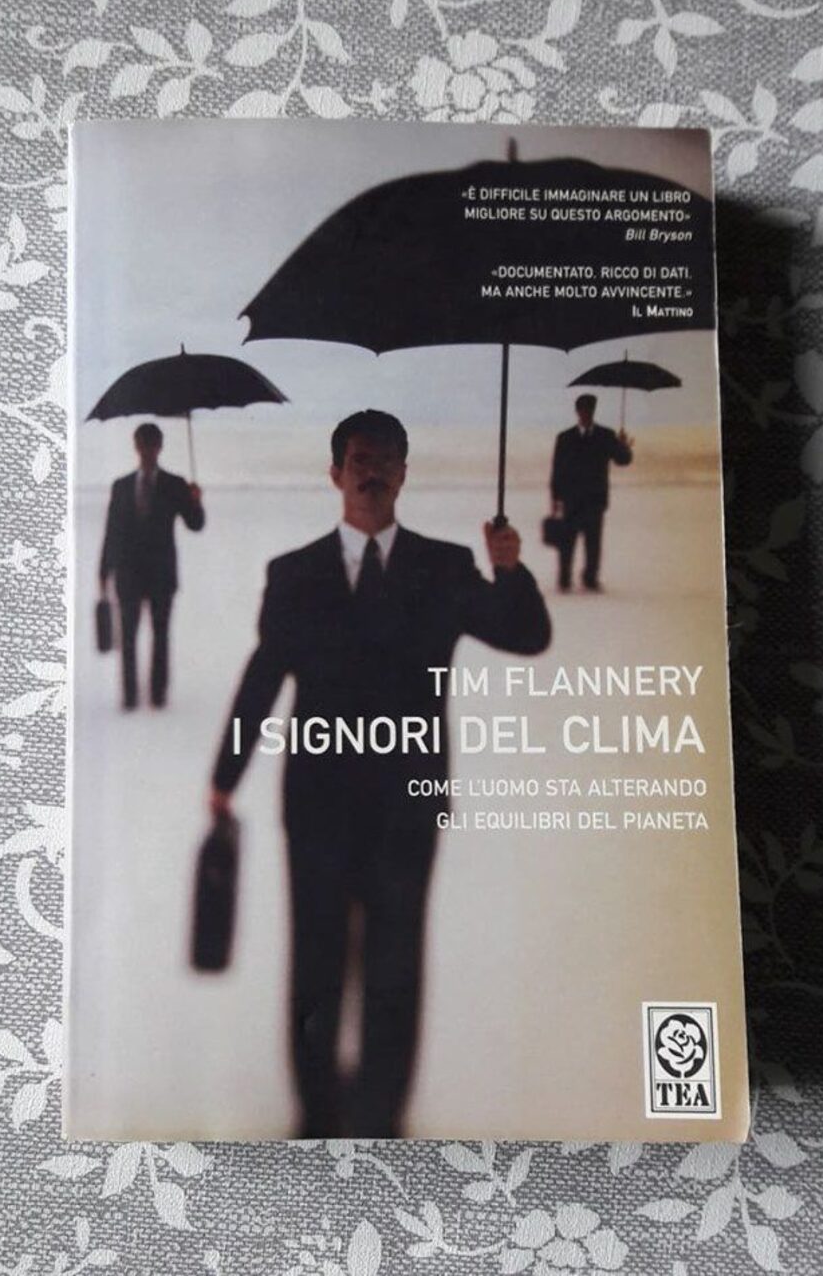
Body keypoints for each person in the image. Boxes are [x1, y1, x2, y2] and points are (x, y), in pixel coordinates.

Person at [208, 409, 550, 1137]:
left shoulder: (444, 567)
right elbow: (263, 677)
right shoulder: (294, 573)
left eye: (387, 459)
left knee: (396, 964)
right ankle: (316, 1110)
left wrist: (509, 569)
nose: (373, 472)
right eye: (360, 459)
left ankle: (384, 1112)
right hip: (318, 804)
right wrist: (224, 777)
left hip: (408, 804)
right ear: (335, 473)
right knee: (317, 961)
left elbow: (526, 635)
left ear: (404, 473)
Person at [99, 422, 204, 709]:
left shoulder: (175, 484)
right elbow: (112, 532)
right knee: (128, 639)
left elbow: (195, 524)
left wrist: (196, 501)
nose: (147, 451)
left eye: (152, 445)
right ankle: (130, 697)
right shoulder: (121, 486)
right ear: (137, 446)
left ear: (159, 447)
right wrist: (104, 571)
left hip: (161, 575)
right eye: (143, 445)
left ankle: (158, 696)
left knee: (160, 637)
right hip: (129, 574)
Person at [549, 393, 634, 593]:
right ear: (577, 411)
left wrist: (624, 447)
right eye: (583, 410)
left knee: (593, 543)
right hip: (571, 499)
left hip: (595, 499)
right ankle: (564, 579)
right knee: (567, 542)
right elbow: (557, 469)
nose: (586, 414)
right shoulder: (565, 438)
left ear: (593, 411)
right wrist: (555, 498)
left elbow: (622, 460)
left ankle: (590, 579)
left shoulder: (606, 436)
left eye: (589, 410)